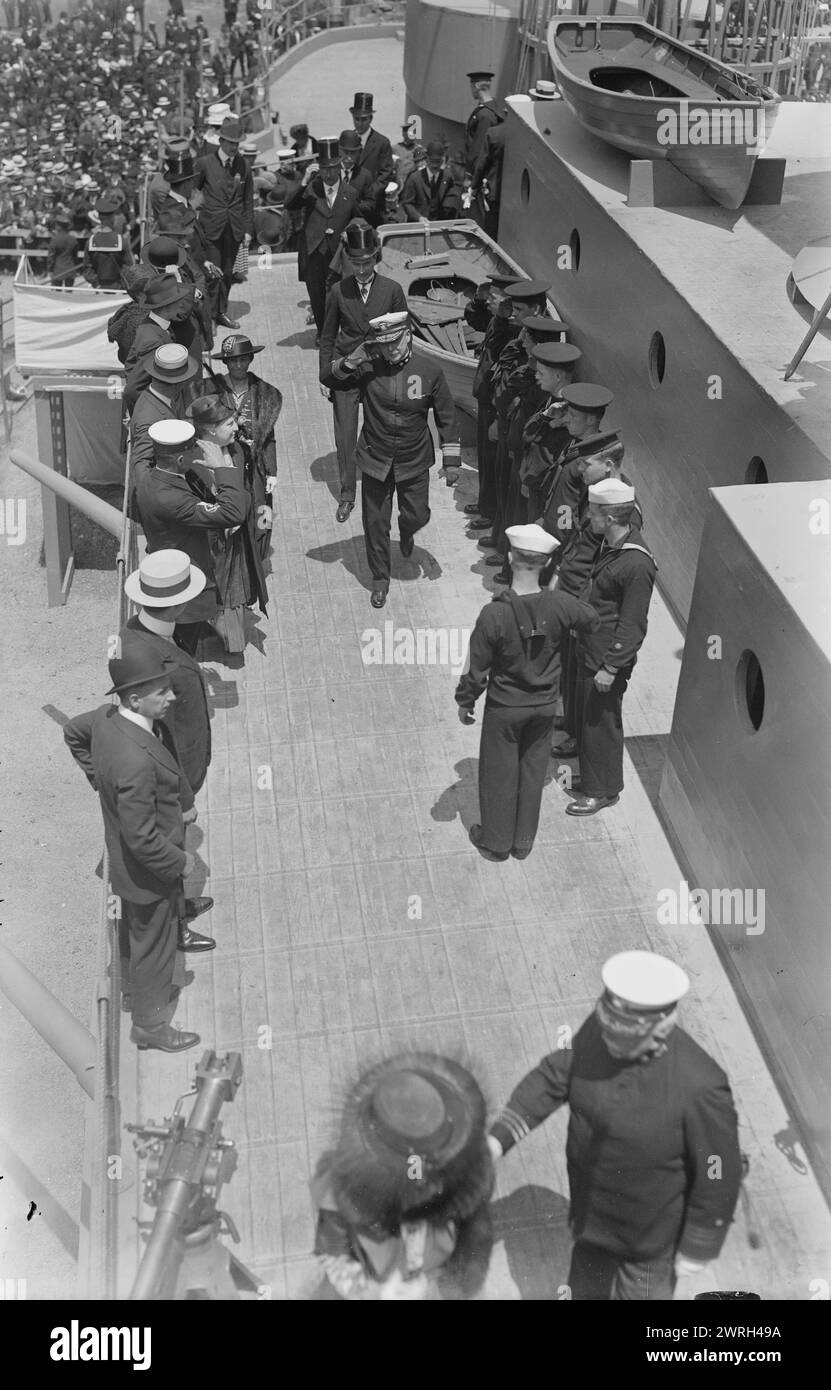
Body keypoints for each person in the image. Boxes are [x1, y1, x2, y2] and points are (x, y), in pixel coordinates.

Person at [488, 950, 743, 1300]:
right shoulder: (601, 1032)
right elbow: (554, 1076)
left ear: (660, 1030)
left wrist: (699, 1244)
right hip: (592, 1223)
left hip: (649, 1243)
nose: (607, 1038)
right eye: (606, 1025)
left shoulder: (700, 1085)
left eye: (620, 1035)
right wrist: (496, 1141)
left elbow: (718, 1170)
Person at [63, 646, 205, 1054]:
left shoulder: (108, 720)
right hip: (147, 871)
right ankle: (150, 1025)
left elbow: (73, 730)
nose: (172, 697)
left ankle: (132, 993)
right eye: (162, 692)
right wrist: (181, 861)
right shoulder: (134, 762)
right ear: (134, 699)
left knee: (137, 936)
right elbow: (143, 839)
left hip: (126, 861)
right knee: (155, 950)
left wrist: (100, 781)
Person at [455, 523, 599, 861]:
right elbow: (591, 620)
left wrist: (465, 701)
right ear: (547, 564)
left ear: (508, 557)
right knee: (533, 773)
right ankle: (522, 842)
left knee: (498, 774)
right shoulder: (561, 604)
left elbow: (475, 669)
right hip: (545, 706)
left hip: (505, 708)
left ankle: (496, 841)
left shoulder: (494, 614)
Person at [312, 1052, 495, 1300]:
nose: (417, 1188)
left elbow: (474, 1253)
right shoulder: (339, 1193)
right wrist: (372, 1293)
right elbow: (332, 1253)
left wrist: (439, 1294)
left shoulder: (463, 1187)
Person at [329, 311, 459, 608]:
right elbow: (329, 379)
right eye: (385, 344)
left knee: (417, 514)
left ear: (409, 335)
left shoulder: (430, 370)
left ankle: (409, 530)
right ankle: (380, 580)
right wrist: (351, 360)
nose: (391, 349)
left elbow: (447, 417)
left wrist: (451, 463)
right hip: (376, 458)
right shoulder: (369, 368)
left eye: (395, 342)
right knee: (375, 524)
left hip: (414, 460)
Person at [566, 476, 656, 817]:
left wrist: (611, 666)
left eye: (594, 512)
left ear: (612, 518)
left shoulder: (635, 563)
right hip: (591, 647)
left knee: (602, 724)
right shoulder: (612, 545)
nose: (590, 518)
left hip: (606, 657)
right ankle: (592, 776)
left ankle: (602, 790)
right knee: (589, 720)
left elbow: (633, 624)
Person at [135, 417, 250, 655]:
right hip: (180, 584)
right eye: (193, 451)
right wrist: (222, 469)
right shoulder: (171, 499)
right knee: (183, 644)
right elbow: (233, 513)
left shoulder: (148, 477)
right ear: (179, 460)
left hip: (166, 563)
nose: (198, 454)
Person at [318, 221, 407, 524]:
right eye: (355, 263)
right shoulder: (337, 291)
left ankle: (379, 485)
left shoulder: (392, 290)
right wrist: (325, 376)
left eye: (366, 262)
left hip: (379, 372)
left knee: (379, 429)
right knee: (345, 436)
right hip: (346, 370)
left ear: (376, 259)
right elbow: (327, 337)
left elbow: (402, 335)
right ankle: (346, 494)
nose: (361, 269)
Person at [120, 550, 213, 801]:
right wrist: (183, 801)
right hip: (180, 776)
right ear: (179, 605)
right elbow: (157, 740)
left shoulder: (130, 630)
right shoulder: (168, 669)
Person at [189, 394, 269, 652]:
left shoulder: (237, 449)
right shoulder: (192, 463)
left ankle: (232, 639)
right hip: (212, 548)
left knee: (237, 588)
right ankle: (221, 636)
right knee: (217, 593)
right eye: (229, 424)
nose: (236, 428)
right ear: (210, 430)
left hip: (238, 537)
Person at [206, 335, 283, 566]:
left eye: (243, 360)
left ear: (250, 359)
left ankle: (258, 553)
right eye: (233, 361)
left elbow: (268, 436)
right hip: (224, 464)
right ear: (226, 363)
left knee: (263, 510)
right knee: (227, 512)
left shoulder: (265, 393)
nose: (238, 365)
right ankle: (230, 560)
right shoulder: (212, 391)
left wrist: (272, 471)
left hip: (255, 465)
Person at [286, 136, 362, 337]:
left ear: (339, 167)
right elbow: (290, 204)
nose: (328, 173)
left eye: (332, 168)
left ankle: (330, 332)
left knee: (333, 295)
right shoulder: (311, 189)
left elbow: (360, 219)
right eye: (324, 168)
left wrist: (350, 229)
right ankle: (322, 330)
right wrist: (303, 181)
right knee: (316, 295)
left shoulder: (350, 193)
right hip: (313, 253)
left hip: (337, 254)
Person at [193, 116, 254, 330]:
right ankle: (208, 317)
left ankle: (221, 312)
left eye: (236, 144)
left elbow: (248, 199)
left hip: (234, 229)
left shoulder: (243, 164)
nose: (233, 148)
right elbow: (193, 194)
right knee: (212, 274)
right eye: (229, 143)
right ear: (221, 142)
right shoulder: (205, 164)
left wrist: (247, 230)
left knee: (228, 274)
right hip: (211, 228)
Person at [129, 342, 201, 496]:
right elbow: (141, 464)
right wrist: (157, 504)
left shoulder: (164, 398)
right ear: (177, 382)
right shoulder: (148, 418)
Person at [123, 273, 198, 414]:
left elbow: (130, 367)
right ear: (166, 306)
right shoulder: (153, 341)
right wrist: (148, 414)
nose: (182, 304)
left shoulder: (155, 326)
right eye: (177, 301)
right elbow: (132, 390)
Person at [463, 71, 503, 199]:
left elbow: (479, 149)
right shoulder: (492, 109)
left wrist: (470, 177)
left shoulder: (485, 115)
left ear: (476, 87)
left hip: (481, 178)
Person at [400, 140, 460, 222]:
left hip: (440, 225)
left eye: (438, 162)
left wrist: (448, 207)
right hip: (419, 225)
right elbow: (406, 203)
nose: (435, 165)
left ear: (443, 160)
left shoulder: (447, 177)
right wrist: (418, 217)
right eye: (432, 161)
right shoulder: (414, 178)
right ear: (426, 159)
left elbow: (453, 196)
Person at [348, 92, 394, 191]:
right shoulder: (346, 141)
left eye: (364, 119)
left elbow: (386, 173)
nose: (359, 123)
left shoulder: (382, 142)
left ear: (371, 119)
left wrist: (370, 194)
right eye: (357, 119)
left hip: (373, 200)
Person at [46, 210, 77, 286]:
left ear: (57, 226)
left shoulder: (55, 240)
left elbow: (51, 257)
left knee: (56, 294)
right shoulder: (73, 239)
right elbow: (75, 256)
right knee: (69, 294)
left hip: (57, 270)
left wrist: (49, 270)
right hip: (70, 269)